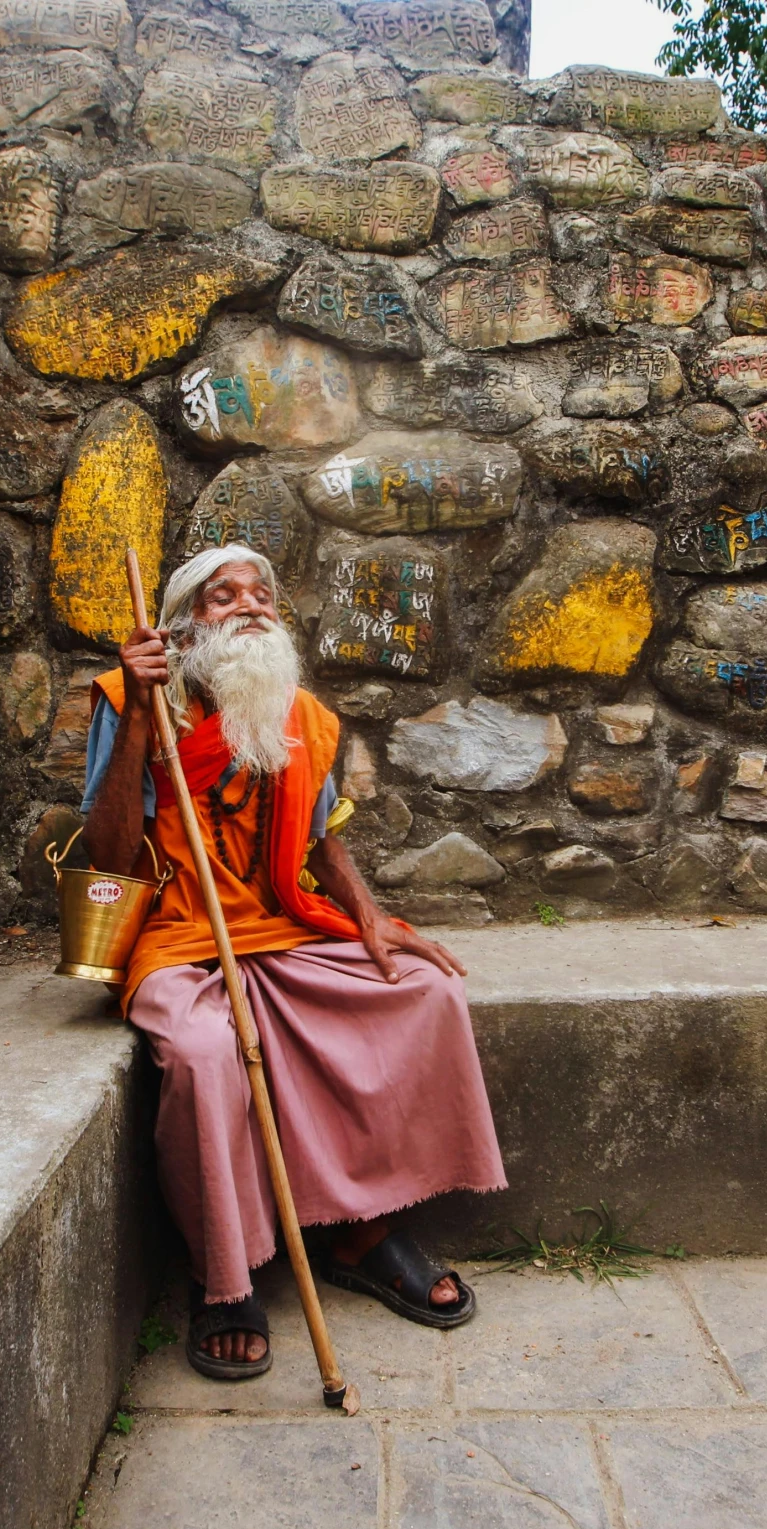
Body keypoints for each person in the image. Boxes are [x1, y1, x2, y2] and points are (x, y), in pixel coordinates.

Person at [82, 544, 507, 1380]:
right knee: (205, 1056)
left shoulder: (299, 713)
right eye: (221, 596)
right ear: (180, 628)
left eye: (262, 593)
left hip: (281, 926)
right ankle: (226, 1274)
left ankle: (362, 1224)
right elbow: (108, 860)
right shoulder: (126, 699)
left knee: (423, 991)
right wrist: (139, 713)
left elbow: (320, 838)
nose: (250, 606)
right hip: (178, 935)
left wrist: (373, 918)